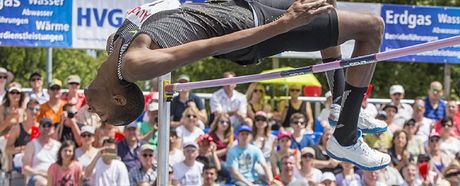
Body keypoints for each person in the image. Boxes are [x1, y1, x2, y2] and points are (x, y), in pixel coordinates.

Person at [84, 0, 390, 170]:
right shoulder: (135, 65)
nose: (90, 109)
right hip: (253, 29)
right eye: (102, 113)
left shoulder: (115, 44)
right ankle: (346, 137)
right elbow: (209, 45)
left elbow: (169, 7)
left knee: (324, 3)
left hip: (235, 7)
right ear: (119, 99)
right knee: (371, 29)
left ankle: (341, 103)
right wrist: (283, 24)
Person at [22, 118, 61, 186]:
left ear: (53, 129)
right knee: (43, 183)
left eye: (49, 126)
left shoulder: (58, 146)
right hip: (37, 177)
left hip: (54, 178)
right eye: (44, 126)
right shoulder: (32, 145)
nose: (46, 128)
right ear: (39, 128)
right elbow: (25, 168)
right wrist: (41, 174)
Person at [5, 99, 40, 172]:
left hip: (36, 165)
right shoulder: (17, 128)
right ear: (26, 110)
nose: (34, 111)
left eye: (37, 109)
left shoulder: (41, 128)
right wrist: (22, 148)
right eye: (31, 109)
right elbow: (7, 150)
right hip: (20, 166)